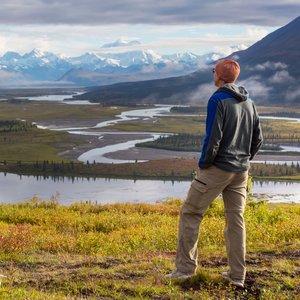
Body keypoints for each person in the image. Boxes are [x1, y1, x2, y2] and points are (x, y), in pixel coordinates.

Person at [166, 59, 263, 288]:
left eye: (214, 71)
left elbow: (213, 139)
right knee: (235, 221)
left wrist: (204, 165)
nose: (213, 74)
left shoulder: (217, 100)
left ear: (219, 76)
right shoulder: (249, 101)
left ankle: (184, 270)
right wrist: (244, 159)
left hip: (217, 169)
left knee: (191, 213)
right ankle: (237, 276)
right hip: (241, 171)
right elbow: (258, 139)